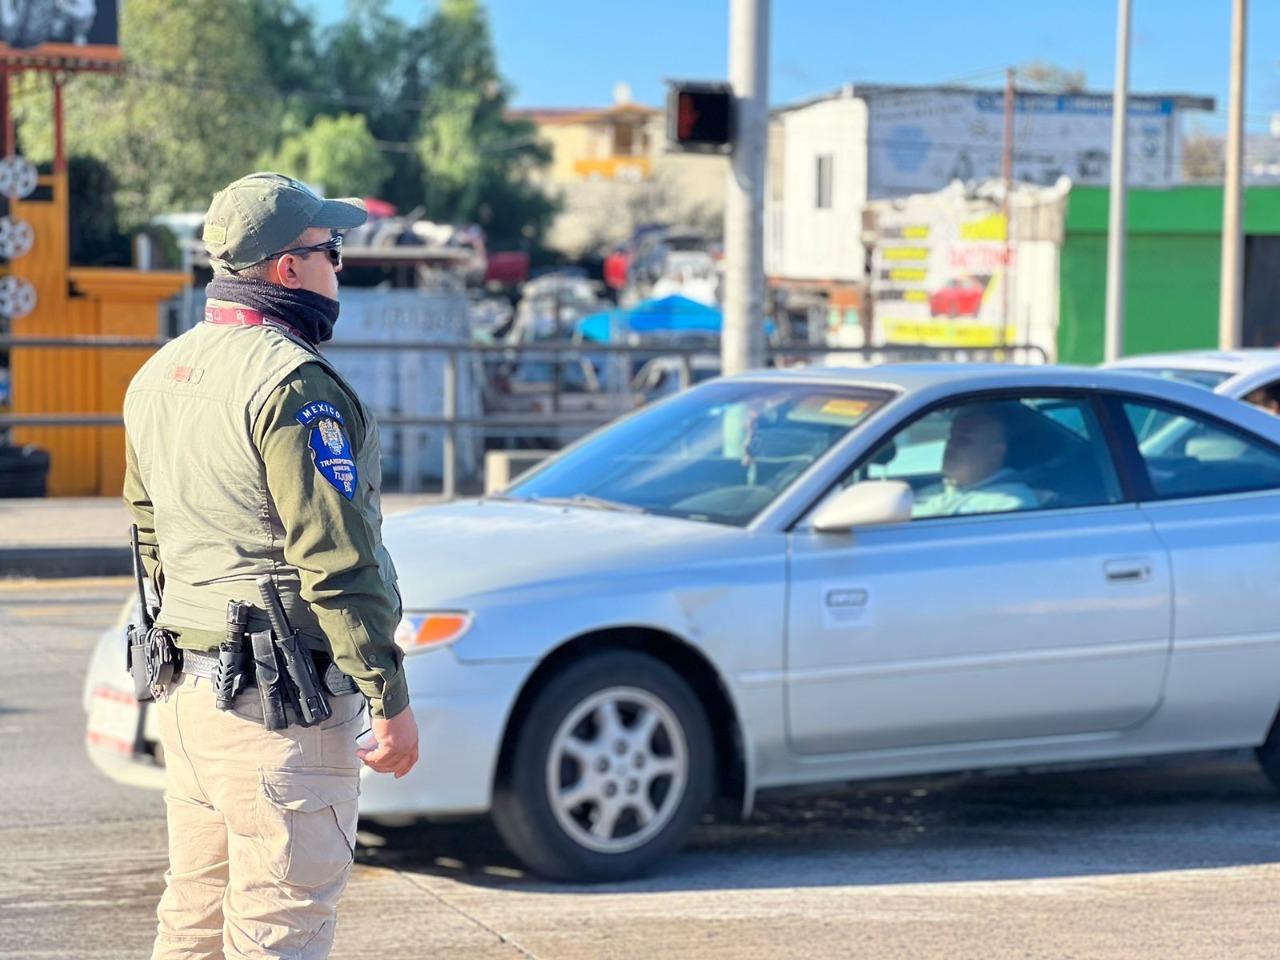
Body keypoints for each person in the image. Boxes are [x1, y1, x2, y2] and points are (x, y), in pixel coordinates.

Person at [123, 172, 419, 960]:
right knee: (279, 929)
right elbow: (337, 561)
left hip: (189, 697)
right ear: (288, 268)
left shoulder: (159, 374)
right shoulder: (293, 387)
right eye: (331, 250)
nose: (339, 267)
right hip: (279, 715)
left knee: (191, 919)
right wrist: (388, 698)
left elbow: (149, 535)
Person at [913, 404, 1039, 518]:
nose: (950, 446)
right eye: (951, 438)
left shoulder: (1009, 504)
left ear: (996, 452)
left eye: (963, 441)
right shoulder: (933, 492)